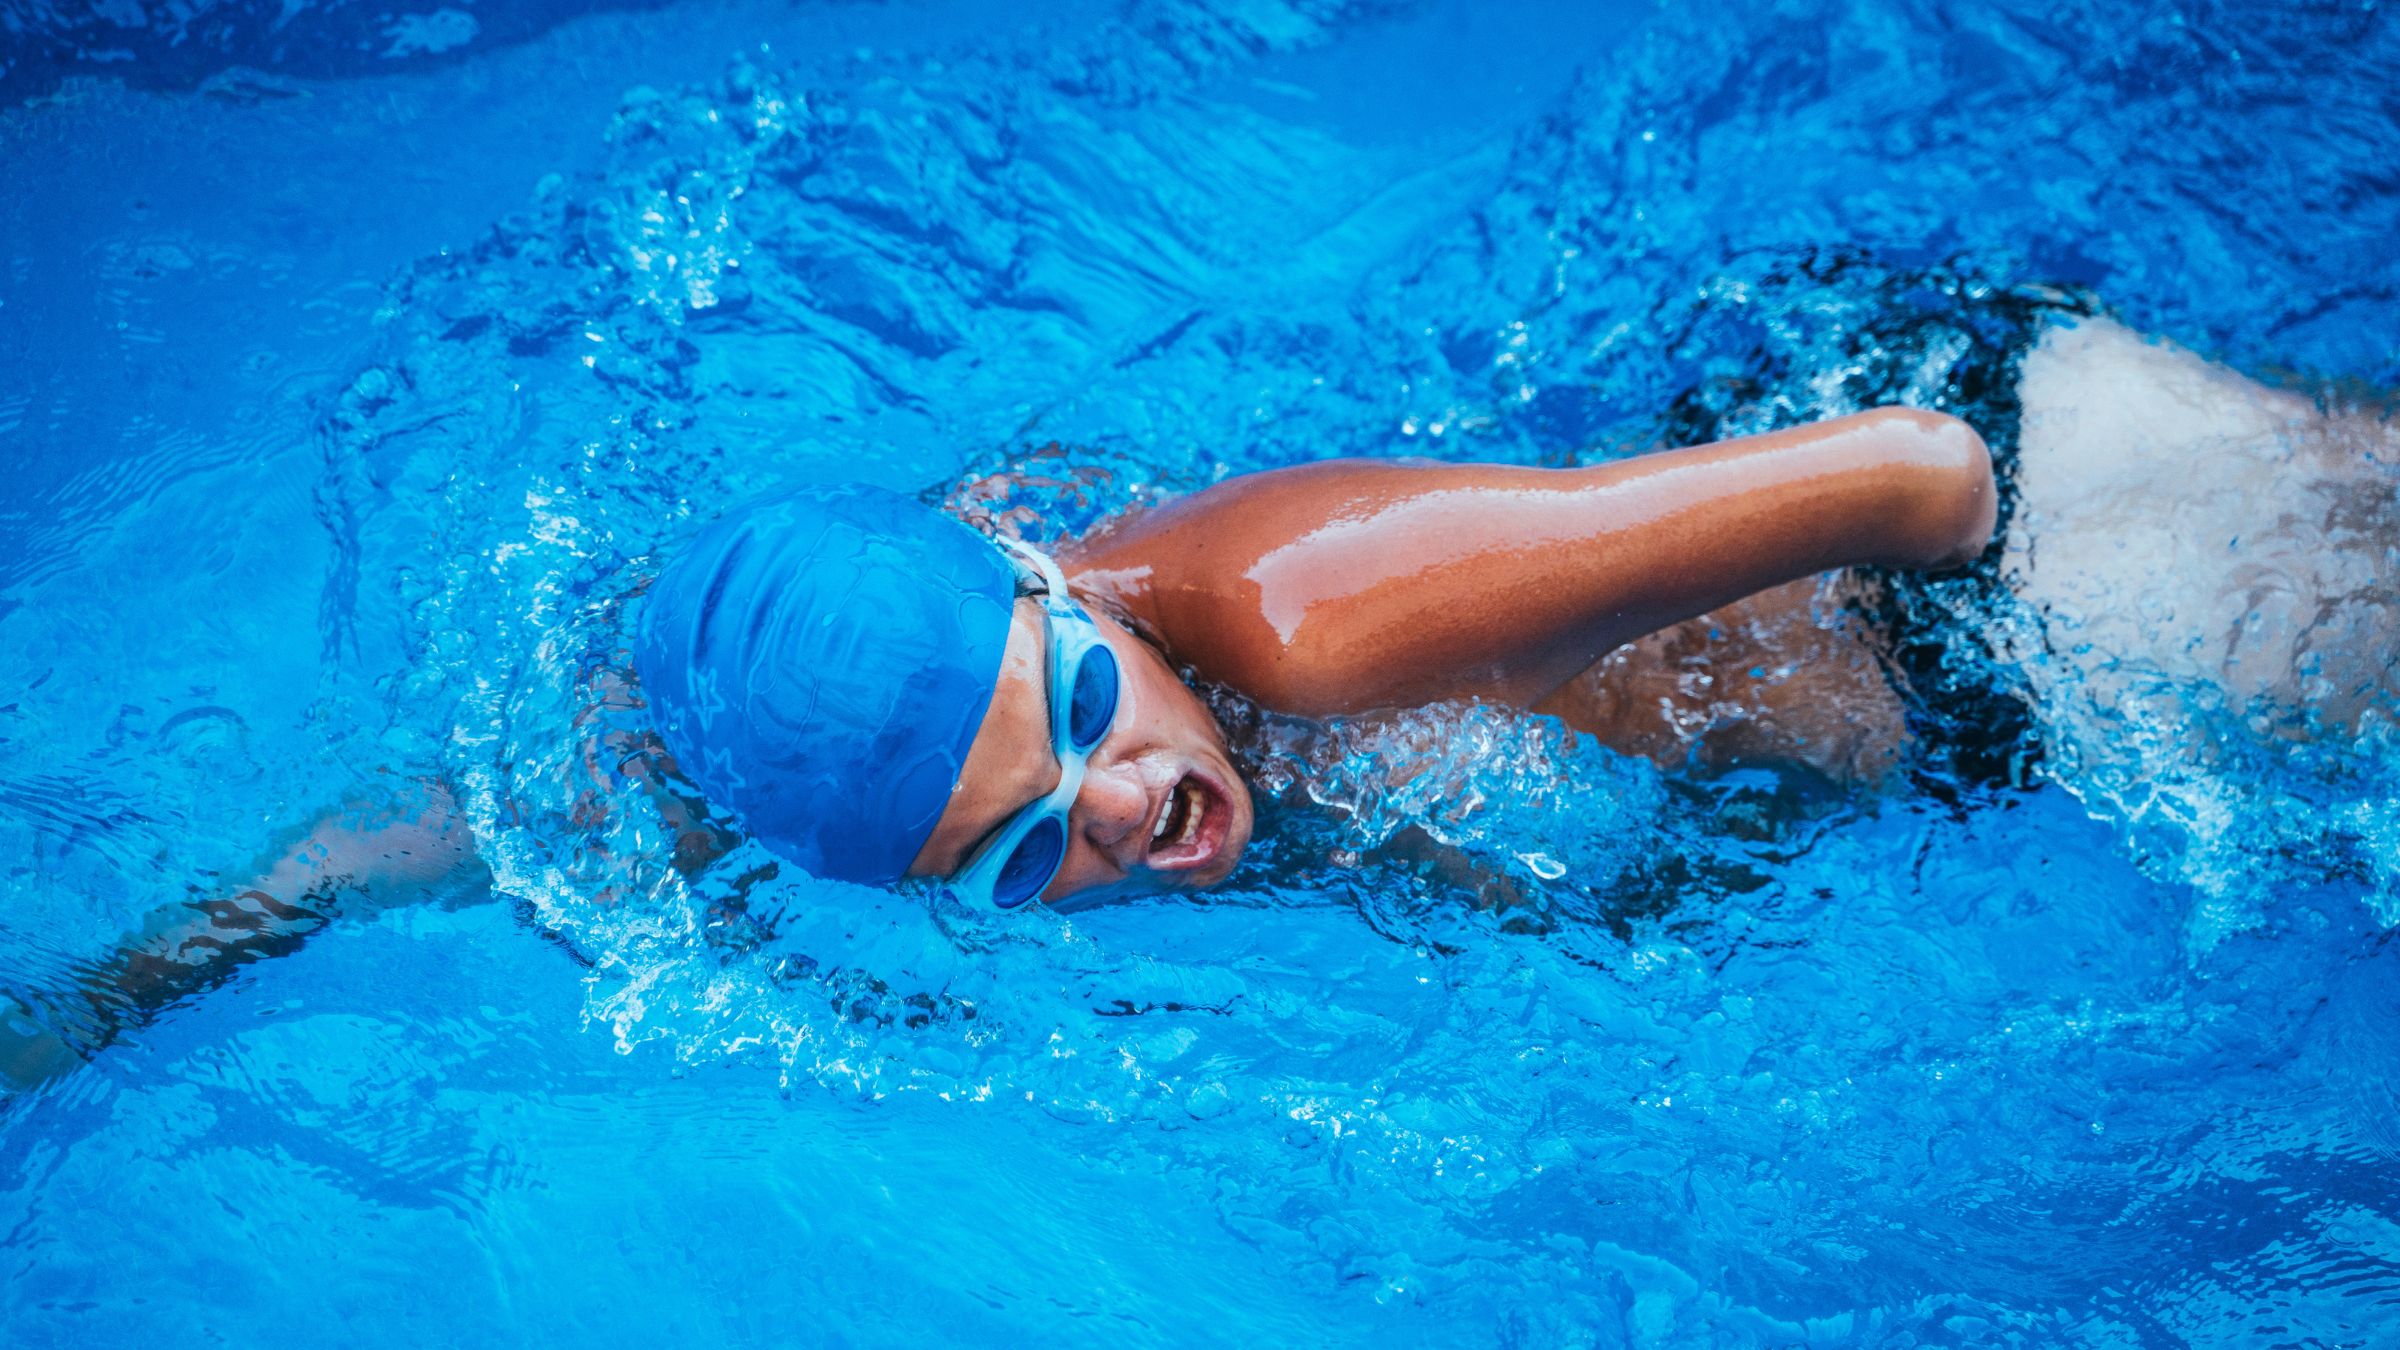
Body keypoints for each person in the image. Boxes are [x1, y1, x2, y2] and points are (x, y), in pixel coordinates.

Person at [6, 312, 2389, 1086]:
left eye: (1087, 707)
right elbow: (535, 798)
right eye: (1016, 846)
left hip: (2058, 578)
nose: (1129, 807)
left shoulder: (1328, 624)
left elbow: (1921, 469)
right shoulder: (906, 692)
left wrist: (2184, 619)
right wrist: (138, 981)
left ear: (1062, 586)